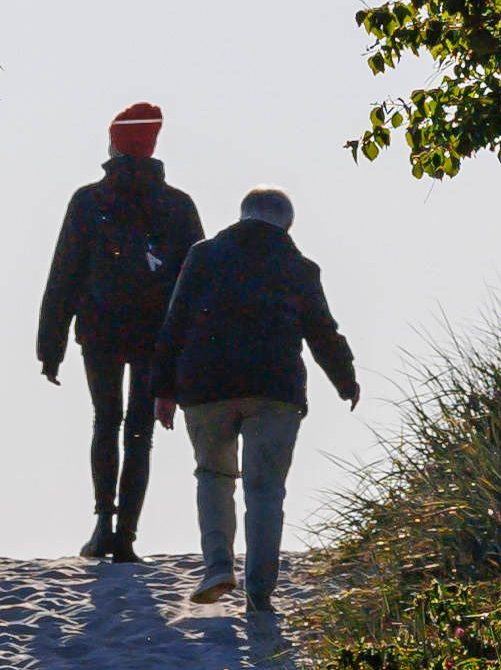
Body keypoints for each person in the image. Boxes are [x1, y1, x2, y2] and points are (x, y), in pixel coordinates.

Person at [146, 184, 361, 616]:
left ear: (242, 215)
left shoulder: (203, 256)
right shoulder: (300, 267)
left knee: (213, 475)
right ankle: (259, 591)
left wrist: (163, 389)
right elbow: (322, 332)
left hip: (206, 388)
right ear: (287, 224)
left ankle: (218, 567)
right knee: (266, 490)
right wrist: (345, 379)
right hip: (275, 391)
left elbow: (176, 322)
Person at [32, 102, 200, 563]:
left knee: (105, 421)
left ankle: (103, 522)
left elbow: (64, 272)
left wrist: (51, 345)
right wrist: (191, 349)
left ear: (115, 144)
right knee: (140, 431)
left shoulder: (89, 200)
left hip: (101, 330)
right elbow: (195, 283)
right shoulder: (178, 205)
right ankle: (127, 534)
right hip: (156, 335)